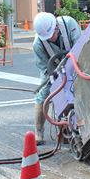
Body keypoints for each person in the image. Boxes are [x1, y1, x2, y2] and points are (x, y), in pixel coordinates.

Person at [32, 12, 82, 145]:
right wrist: (53, 77)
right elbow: (43, 67)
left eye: (52, 35)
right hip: (53, 68)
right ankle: (39, 131)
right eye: (47, 38)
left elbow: (81, 47)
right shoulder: (38, 45)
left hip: (76, 61)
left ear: (56, 26)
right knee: (43, 95)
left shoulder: (69, 24)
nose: (51, 39)